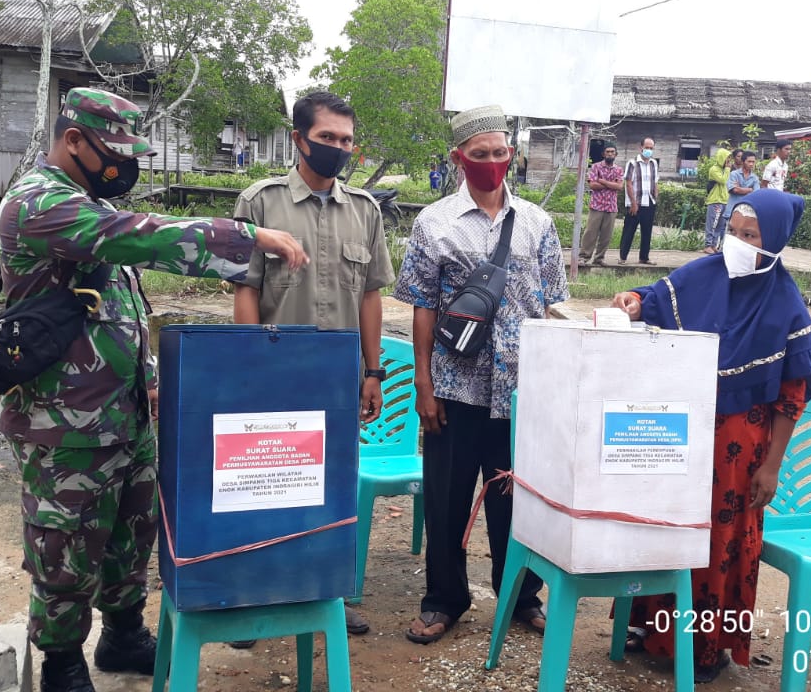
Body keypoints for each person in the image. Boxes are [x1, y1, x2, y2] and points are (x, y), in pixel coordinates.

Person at [0, 88, 306, 692]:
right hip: (65, 420)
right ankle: (61, 663)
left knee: (129, 534)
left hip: (125, 410)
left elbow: (118, 309)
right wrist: (246, 236)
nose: (124, 165)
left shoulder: (85, 202)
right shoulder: (38, 204)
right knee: (64, 546)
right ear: (74, 141)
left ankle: (122, 635)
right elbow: (139, 235)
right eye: (114, 151)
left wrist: (152, 380)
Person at [612, 189, 811, 682]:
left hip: (737, 450)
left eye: (750, 235)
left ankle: (706, 648)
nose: (737, 242)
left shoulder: (786, 307)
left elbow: (791, 397)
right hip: (679, 432)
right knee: (665, 526)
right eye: (733, 231)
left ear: (774, 242)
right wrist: (633, 300)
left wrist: (771, 466)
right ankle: (653, 630)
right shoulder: (703, 273)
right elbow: (654, 299)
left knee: (719, 541)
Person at [394, 104, 569, 645]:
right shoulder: (434, 222)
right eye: (480, 155)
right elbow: (422, 307)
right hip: (454, 387)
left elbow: (554, 307)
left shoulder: (538, 222)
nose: (491, 163)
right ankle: (444, 599)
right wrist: (423, 386)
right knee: (446, 501)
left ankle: (519, 596)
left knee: (516, 501)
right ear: (459, 158)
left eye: (499, 153)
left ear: (510, 156)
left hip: (523, 392)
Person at [230, 91, 393, 641]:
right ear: (299, 139)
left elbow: (370, 298)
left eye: (346, 141)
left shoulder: (365, 212)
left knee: (333, 490)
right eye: (327, 139)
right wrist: (249, 369)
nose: (338, 149)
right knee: (262, 486)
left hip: (338, 380)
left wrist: (373, 372)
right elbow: (245, 291)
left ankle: (326, 593)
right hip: (275, 376)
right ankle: (251, 597)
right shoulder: (261, 203)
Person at [578, 143, 624, 265]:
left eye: (612, 152)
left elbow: (619, 186)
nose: (610, 154)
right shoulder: (595, 167)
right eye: (607, 151)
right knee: (590, 232)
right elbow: (593, 185)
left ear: (616, 154)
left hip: (611, 206)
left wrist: (602, 180)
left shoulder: (619, 169)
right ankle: (584, 256)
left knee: (606, 235)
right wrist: (611, 184)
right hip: (597, 205)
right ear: (603, 154)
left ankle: (599, 258)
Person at [619, 137, 659, 266]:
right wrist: (633, 203)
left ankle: (644, 257)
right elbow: (629, 184)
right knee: (629, 230)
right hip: (636, 203)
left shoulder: (654, 163)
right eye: (646, 147)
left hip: (649, 201)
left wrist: (655, 197)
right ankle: (623, 257)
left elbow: (655, 181)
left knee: (647, 231)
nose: (648, 150)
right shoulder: (633, 163)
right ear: (640, 147)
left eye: (651, 148)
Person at [702, 147, 733, 254]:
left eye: (729, 159)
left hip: (724, 200)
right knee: (712, 224)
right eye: (727, 159)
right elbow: (723, 180)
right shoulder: (714, 169)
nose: (729, 162)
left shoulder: (724, 170)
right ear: (721, 158)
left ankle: (714, 245)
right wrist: (728, 169)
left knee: (720, 225)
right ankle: (707, 245)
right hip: (715, 200)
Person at [726, 151, 759, 220]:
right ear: (743, 161)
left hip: (747, 213)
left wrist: (739, 188)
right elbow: (734, 190)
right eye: (749, 161)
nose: (751, 164)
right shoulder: (734, 174)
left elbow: (756, 194)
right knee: (730, 230)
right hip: (733, 210)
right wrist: (750, 189)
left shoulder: (755, 178)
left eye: (753, 162)